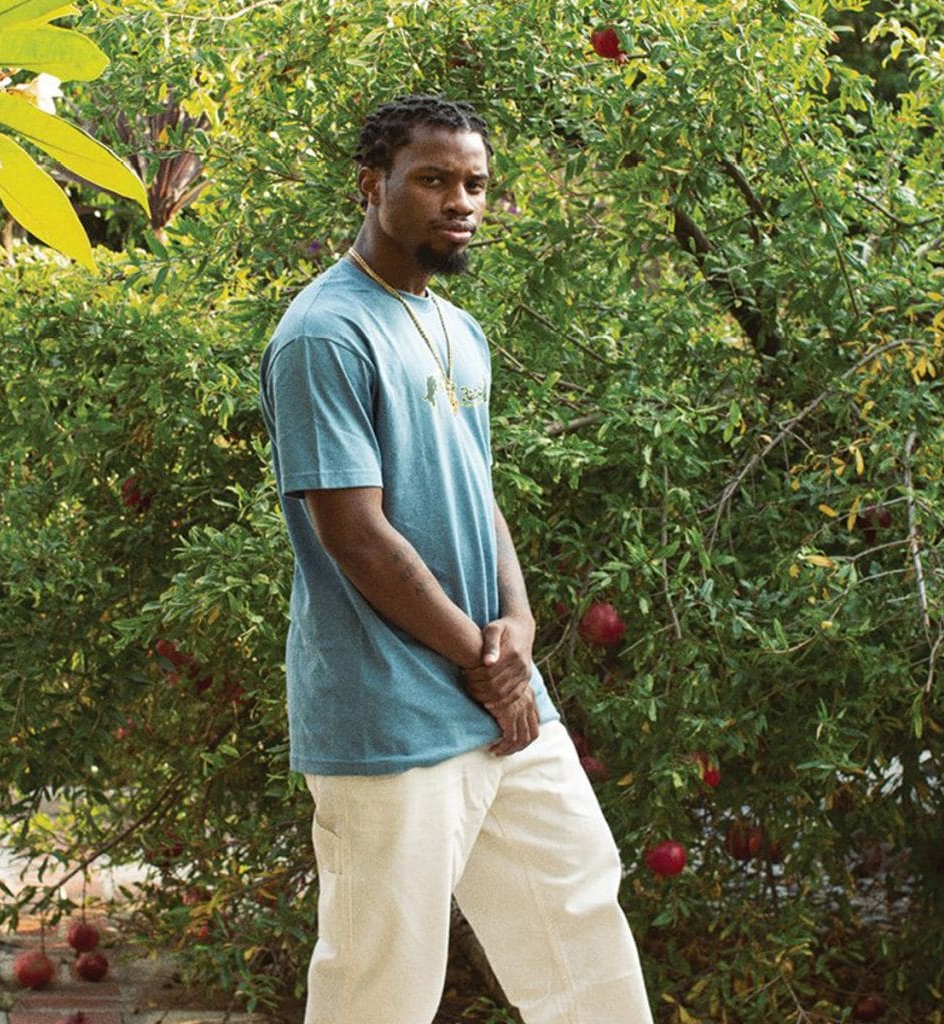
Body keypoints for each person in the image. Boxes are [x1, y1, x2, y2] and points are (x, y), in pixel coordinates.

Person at [259, 94, 653, 1024]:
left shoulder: (456, 329)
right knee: (379, 980)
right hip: (392, 708)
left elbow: (478, 498)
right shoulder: (325, 332)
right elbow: (354, 531)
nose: (461, 201)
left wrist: (518, 632)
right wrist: (484, 662)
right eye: (434, 179)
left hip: (499, 694)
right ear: (374, 185)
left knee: (580, 918)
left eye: (474, 183)